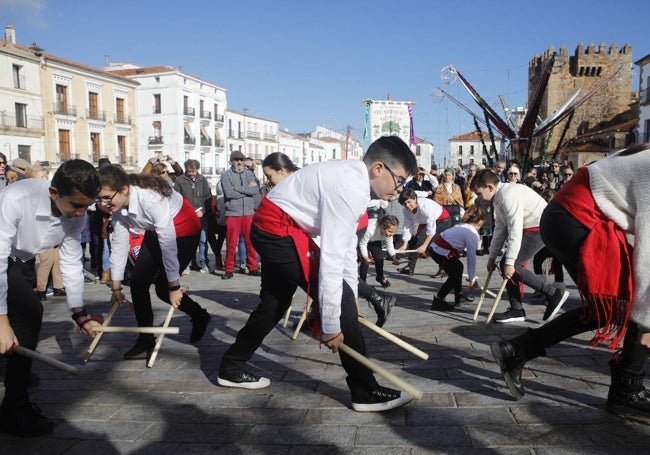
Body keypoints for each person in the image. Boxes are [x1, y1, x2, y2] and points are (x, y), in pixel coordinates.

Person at [217, 135, 417, 412]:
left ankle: (231, 365)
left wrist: (352, 301)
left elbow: (346, 249)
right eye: (399, 179)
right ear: (379, 168)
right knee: (338, 301)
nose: (399, 189)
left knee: (276, 302)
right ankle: (366, 391)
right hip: (277, 228)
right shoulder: (350, 187)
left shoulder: (354, 181)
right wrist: (334, 323)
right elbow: (333, 260)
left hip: (279, 225)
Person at [491, 143, 650, 422]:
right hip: (576, 217)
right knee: (637, 308)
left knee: (610, 310)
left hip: (567, 216)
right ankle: (628, 388)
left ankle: (517, 350)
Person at [0, 160, 103, 436]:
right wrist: (1, 321)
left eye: (86, 206)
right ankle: (15, 409)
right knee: (29, 312)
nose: (81, 213)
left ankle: (13, 383)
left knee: (27, 316)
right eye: (76, 205)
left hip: (19, 260)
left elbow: (70, 260)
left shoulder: (76, 211)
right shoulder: (16, 197)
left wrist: (79, 313)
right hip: (1, 257)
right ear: (54, 192)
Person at [97, 165, 211, 359]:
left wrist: (174, 284)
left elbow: (167, 242)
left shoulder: (150, 198)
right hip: (155, 231)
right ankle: (146, 339)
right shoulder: (116, 205)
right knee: (137, 282)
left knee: (163, 288)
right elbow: (118, 243)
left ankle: (200, 315)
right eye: (99, 199)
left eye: (107, 198)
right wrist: (116, 286)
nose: (103, 203)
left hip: (184, 230)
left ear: (124, 189)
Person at [470, 169, 570, 323]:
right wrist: (492, 256)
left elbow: (515, 229)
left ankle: (553, 293)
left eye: (479, 194)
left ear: (490, 187)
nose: (480, 199)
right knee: (507, 264)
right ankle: (517, 309)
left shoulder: (508, 196)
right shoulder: (498, 197)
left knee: (512, 265)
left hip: (540, 226)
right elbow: (501, 227)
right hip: (530, 226)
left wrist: (510, 262)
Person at [430, 205, 484, 311]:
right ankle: (439, 300)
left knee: (458, 267)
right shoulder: (472, 233)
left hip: (436, 249)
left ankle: (458, 296)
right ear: (480, 221)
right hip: (440, 251)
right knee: (454, 275)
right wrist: (472, 278)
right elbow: (471, 257)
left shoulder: (461, 225)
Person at [220, 151, 261, 279]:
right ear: (231, 161)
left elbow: (255, 190)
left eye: (241, 160)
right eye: (236, 160)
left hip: (248, 211)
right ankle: (229, 269)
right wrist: (246, 190)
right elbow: (228, 193)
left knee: (250, 241)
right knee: (231, 243)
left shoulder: (249, 174)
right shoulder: (226, 175)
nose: (239, 162)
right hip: (233, 212)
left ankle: (253, 267)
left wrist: (236, 188)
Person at [395, 189, 450, 276]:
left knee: (432, 247)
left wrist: (424, 245)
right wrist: (405, 244)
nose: (408, 205)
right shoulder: (406, 210)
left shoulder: (425, 207)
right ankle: (410, 268)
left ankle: (445, 268)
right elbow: (407, 226)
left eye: (409, 202)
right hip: (425, 222)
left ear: (415, 198)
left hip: (442, 220)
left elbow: (431, 228)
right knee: (416, 240)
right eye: (405, 204)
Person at [174, 159, 213, 274]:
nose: (191, 174)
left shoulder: (202, 180)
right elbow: (176, 198)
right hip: (187, 216)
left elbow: (208, 197)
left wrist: (203, 210)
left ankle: (203, 263)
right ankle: (186, 264)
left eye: (193, 171)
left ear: (197, 170)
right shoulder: (180, 181)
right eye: (189, 171)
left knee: (203, 241)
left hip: (201, 215)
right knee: (187, 242)